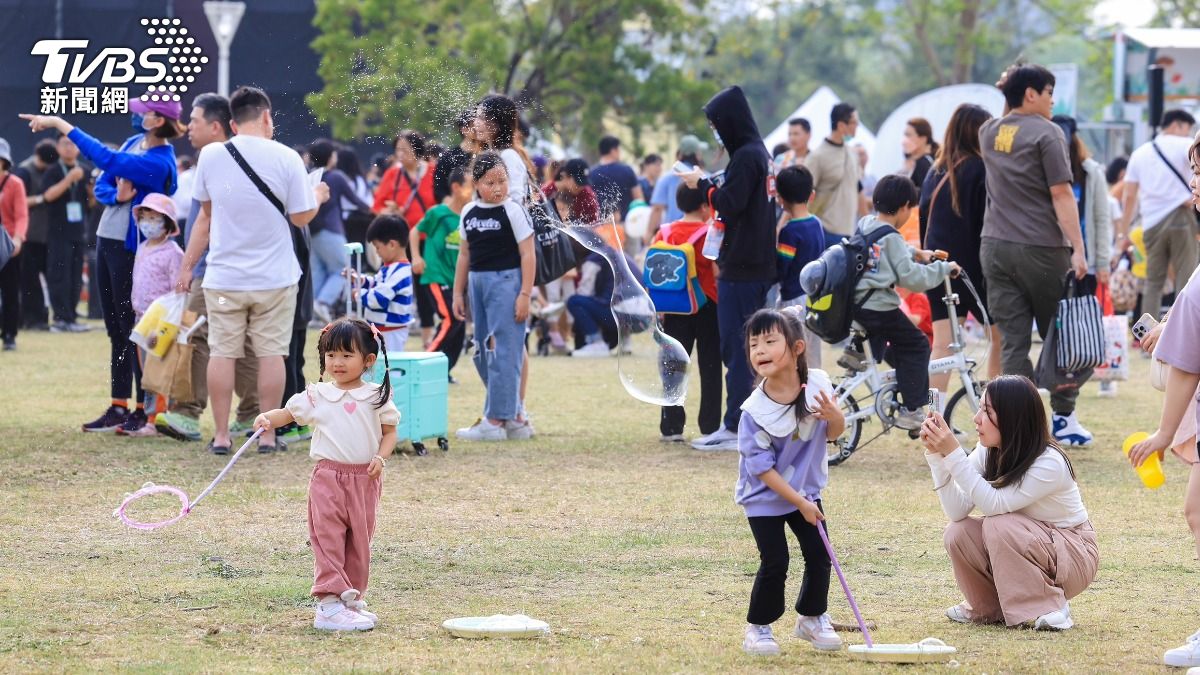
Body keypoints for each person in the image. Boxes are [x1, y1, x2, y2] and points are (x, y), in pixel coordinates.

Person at [21, 93, 181, 435]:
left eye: (145, 113)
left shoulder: (159, 161)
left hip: (131, 250)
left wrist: (59, 123)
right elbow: (106, 180)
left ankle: (143, 409)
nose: (138, 117)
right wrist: (117, 195)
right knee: (114, 329)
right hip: (108, 240)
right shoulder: (136, 141)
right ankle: (118, 404)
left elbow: (107, 160)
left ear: (159, 120)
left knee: (133, 330)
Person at [185, 85, 323, 455]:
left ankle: (220, 437)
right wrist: (317, 200)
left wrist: (186, 266)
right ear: (266, 117)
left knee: (222, 353)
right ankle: (265, 435)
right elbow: (299, 217)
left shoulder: (212, 156)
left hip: (224, 276)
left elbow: (204, 218)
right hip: (275, 277)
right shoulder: (287, 158)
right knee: (271, 355)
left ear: (231, 122)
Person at [253, 317, 398, 632]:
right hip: (328, 479)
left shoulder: (376, 395)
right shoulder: (317, 395)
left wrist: (381, 458)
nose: (338, 362)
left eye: (347, 355)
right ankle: (328, 605)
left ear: (368, 360)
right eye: (331, 355)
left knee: (359, 541)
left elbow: (390, 433)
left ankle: (350, 599)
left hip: (365, 481)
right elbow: (289, 414)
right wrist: (268, 418)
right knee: (329, 539)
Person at [921, 375, 1097, 631]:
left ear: (1012, 417)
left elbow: (994, 505)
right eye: (980, 408)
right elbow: (957, 510)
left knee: (998, 524)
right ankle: (987, 607)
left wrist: (954, 453)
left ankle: (1052, 606)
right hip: (1031, 540)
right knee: (957, 532)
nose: (976, 418)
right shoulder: (989, 449)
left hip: (1073, 554)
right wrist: (938, 457)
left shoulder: (1049, 461)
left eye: (986, 411)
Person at [978, 63, 1091, 447]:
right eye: (1047, 92)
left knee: (1013, 342)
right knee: (1062, 334)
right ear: (1031, 94)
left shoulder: (988, 131)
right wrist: (1078, 248)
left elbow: (1008, 121)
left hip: (994, 246)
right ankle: (1063, 418)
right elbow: (1061, 194)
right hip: (1042, 248)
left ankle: (1013, 425)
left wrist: (1007, 89)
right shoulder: (1048, 132)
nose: (1052, 99)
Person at [736, 308, 845, 656]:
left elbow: (832, 434)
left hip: (806, 492)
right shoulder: (754, 412)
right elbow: (763, 470)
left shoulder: (817, 385)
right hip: (765, 497)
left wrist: (836, 417)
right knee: (776, 561)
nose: (760, 350)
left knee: (819, 554)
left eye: (770, 341)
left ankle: (812, 618)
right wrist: (798, 502)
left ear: (797, 348)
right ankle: (759, 628)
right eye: (754, 344)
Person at [159, 92, 261, 444]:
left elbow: (208, 220)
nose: (188, 127)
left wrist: (189, 267)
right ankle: (246, 415)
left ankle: (191, 412)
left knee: (200, 335)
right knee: (232, 339)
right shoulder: (213, 159)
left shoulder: (223, 161)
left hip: (217, 268)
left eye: (196, 120)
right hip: (216, 267)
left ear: (216, 126)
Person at [681, 85, 776, 452]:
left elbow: (729, 203)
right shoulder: (757, 155)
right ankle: (743, 422)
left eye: (716, 125)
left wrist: (702, 184)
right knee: (747, 347)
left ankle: (736, 425)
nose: (715, 132)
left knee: (739, 348)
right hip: (754, 264)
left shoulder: (747, 157)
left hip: (743, 267)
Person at [853, 175, 958, 429]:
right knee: (918, 345)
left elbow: (885, 249)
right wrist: (944, 269)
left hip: (857, 303)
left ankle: (857, 353)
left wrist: (915, 252)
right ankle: (912, 409)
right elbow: (913, 279)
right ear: (903, 208)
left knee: (899, 344)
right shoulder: (893, 237)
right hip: (878, 305)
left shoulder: (866, 223)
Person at [919, 104, 1002, 396]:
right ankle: (996, 409)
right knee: (999, 338)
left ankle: (934, 418)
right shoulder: (981, 169)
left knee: (942, 345)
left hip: (937, 268)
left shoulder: (935, 170)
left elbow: (924, 224)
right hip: (973, 271)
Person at [451, 151, 535, 442]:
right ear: (476, 183)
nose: (498, 188)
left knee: (507, 350)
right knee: (481, 350)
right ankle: (515, 417)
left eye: (502, 181)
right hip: (477, 283)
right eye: (490, 182)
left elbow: (528, 254)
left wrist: (525, 293)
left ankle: (496, 419)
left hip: (507, 282)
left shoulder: (513, 210)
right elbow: (464, 254)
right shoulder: (468, 213)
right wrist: (457, 292)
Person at [1114, 109, 1198, 322]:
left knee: (1153, 282)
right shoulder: (1184, 145)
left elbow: (1129, 196)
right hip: (1181, 217)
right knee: (1186, 278)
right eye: (1187, 127)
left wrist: (1123, 234)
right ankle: (1181, 335)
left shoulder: (1140, 153)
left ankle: (1146, 337)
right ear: (1177, 125)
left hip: (1151, 223)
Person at [653, 182, 721, 443]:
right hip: (708, 305)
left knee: (673, 366)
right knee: (710, 365)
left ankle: (671, 427)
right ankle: (710, 426)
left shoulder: (665, 232)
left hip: (674, 306)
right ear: (705, 205)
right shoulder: (710, 233)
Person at [124, 193, 183, 437]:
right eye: (144, 217)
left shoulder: (173, 253)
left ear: (167, 223)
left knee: (158, 373)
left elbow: (177, 291)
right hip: (141, 320)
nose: (148, 222)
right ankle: (152, 418)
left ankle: (158, 419)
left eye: (154, 218)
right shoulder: (142, 248)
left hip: (161, 324)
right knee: (146, 373)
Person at [309, 139, 372, 323]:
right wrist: (371, 210)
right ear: (330, 157)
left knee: (319, 271)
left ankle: (314, 311)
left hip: (313, 230)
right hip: (332, 230)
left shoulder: (311, 176)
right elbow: (355, 200)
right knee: (341, 270)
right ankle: (323, 302)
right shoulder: (336, 177)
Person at [412, 166, 468, 374]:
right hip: (436, 275)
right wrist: (417, 257)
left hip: (456, 281)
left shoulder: (469, 216)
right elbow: (414, 232)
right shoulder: (438, 213)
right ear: (456, 187)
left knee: (459, 324)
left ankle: (444, 371)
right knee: (450, 319)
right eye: (471, 185)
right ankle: (423, 367)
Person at [773, 166, 825, 368]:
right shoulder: (816, 223)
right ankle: (815, 395)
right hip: (814, 298)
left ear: (780, 199)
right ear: (811, 195)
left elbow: (781, 269)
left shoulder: (789, 232)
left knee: (792, 357)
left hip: (793, 300)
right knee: (812, 358)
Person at [41, 133, 92, 333]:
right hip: (57, 233)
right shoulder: (53, 171)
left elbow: (93, 202)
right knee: (59, 274)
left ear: (78, 148)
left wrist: (91, 189)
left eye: (72, 144)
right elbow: (47, 196)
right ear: (58, 148)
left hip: (79, 232)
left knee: (75, 275)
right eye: (65, 144)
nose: (69, 148)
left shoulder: (85, 171)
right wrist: (69, 179)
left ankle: (72, 316)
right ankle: (60, 318)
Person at [14, 139, 58, 330]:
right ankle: (30, 320)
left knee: (47, 280)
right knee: (29, 281)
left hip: (45, 235)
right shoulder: (24, 172)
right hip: (28, 235)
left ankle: (42, 318)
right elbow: (18, 201)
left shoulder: (48, 169)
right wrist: (42, 198)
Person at [567, 246, 639, 358]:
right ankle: (625, 340)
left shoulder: (593, 260)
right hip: (643, 313)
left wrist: (577, 326)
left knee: (574, 301)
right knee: (605, 303)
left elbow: (584, 293)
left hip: (621, 313)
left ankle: (596, 343)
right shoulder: (618, 253)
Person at [355, 215, 413, 353]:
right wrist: (359, 280)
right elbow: (376, 284)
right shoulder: (390, 267)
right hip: (382, 330)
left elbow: (378, 299)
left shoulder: (400, 272)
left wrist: (358, 294)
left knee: (389, 369)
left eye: (377, 247)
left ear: (392, 244)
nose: (376, 252)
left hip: (390, 332)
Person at [807, 103, 862, 247]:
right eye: (854, 122)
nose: (857, 126)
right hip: (825, 230)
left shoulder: (852, 153)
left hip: (850, 232)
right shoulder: (817, 156)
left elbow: (858, 189)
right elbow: (802, 194)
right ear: (841, 125)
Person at [648, 134, 708, 239]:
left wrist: (648, 233)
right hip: (700, 235)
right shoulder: (706, 178)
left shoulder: (666, 178)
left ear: (680, 154)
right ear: (697, 154)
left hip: (672, 236)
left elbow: (657, 209)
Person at [0, 138, 29, 351]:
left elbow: (21, 215)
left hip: (8, 245)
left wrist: (18, 238)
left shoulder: (14, 184)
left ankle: (10, 334)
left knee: (10, 291)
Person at [590, 135, 643, 222]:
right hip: (626, 223)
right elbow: (638, 198)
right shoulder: (627, 170)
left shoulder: (592, 173)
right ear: (613, 151)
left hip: (601, 225)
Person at [433, 109, 477, 203]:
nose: (478, 128)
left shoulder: (487, 154)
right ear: (463, 129)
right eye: (474, 125)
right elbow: (439, 189)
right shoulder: (448, 157)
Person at [903, 117, 939, 192]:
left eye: (909, 135)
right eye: (905, 135)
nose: (905, 140)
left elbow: (925, 194)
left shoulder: (924, 163)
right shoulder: (926, 160)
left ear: (923, 139)